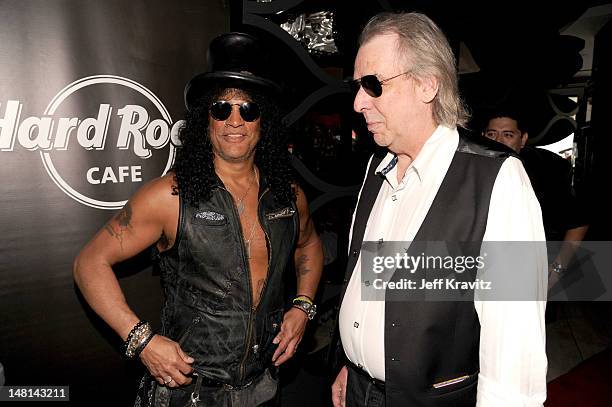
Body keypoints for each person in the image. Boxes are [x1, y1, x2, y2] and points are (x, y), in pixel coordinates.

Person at [73, 32, 323, 407]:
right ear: (205, 118)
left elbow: (309, 245)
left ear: (264, 121)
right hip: (188, 392)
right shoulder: (169, 196)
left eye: (248, 109)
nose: (234, 120)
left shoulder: (288, 194)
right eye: (221, 108)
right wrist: (141, 340)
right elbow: (89, 263)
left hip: (264, 388)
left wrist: (303, 307)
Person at [331, 12, 547, 406]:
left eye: (373, 85)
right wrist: (355, 361)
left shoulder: (498, 178)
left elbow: (515, 345)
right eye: (357, 86)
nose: (359, 101)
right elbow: (375, 284)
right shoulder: (376, 166)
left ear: (427, 85)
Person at [482, 110, 589, 289]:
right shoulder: (471, 170)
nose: (498, 141)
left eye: (508, 135)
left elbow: (578, 222)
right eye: (491, 134)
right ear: (483, 136)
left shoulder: (545, 169)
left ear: (522, 139)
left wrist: (556, 272)